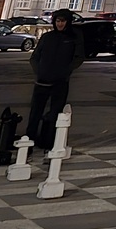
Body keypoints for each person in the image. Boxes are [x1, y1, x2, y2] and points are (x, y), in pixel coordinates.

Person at [29, 9, 84, 147]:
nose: (60, 24)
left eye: (63, 21)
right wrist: (39, 71)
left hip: (60, 82)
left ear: (68, 22)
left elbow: (78, 57)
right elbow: (35, 57)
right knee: (35, 113)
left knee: (55, 113)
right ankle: (29, 140)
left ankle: (49, 142)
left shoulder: (73, 38)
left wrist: (66, 71)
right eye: (58, 21)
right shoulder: (47, 37)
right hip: (42, 81)